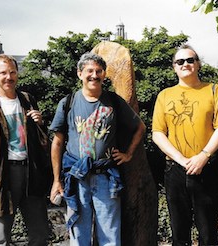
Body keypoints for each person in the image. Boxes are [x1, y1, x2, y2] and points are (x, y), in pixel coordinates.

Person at [49, 52, 146, 245]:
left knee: (110, 234)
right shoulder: (68, 102)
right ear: (80, 74)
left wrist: (127, 154)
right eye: (89, 71)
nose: (94, 75)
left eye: (99, 71)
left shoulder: (114, 101)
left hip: (106, 178)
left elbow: (140, 127)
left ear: (104, 74)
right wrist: (56, 180)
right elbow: (57, 143)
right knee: (78, 233)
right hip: (76, 178)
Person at [152, 44, 218, 245]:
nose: (185, 64)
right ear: (174, 67)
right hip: (175, 170)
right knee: (179, 233)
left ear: (198, 64)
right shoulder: (164, 95)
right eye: (180, 61)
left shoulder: (213, 90)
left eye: (190, 60)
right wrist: (182, 160)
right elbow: (158, 133)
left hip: (206, 169)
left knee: (208, 233)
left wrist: (203, 156)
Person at [0, 54, 49, 245]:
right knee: (1, 236)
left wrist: (39, 124)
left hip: (31, 172)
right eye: (3, 72)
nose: (9, 77)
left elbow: (42, 142)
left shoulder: (28, 100)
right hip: (2, 176)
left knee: (39, 234)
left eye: (12, 72)